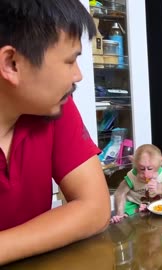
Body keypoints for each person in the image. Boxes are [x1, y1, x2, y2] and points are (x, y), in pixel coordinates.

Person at [0, 0, 111, 265]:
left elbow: (95, 208)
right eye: (70, 60)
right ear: (12, 63)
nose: (78, 75)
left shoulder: (52, 108)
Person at [111, 144, 162, 223]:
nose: (146, 174)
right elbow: (119, 194)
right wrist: (119, 214)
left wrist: (159, 188)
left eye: (150, 168)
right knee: (129, 210)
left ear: (161, 161)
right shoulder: (132, 177)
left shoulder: (161, 174)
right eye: (142, 169)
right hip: (137, 205)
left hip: (158, 203)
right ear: (133, 162)